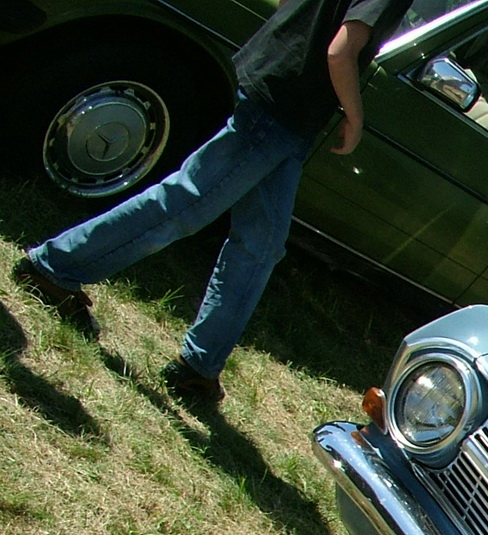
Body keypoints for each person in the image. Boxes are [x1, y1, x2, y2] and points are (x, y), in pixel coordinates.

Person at [9, 0, 412, 403]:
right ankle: (54, 268)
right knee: (183, 206)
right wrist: (355, 117)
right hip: (283, 107)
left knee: (261, 243)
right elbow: (340, 50)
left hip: (283, 99)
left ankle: (198, 368)